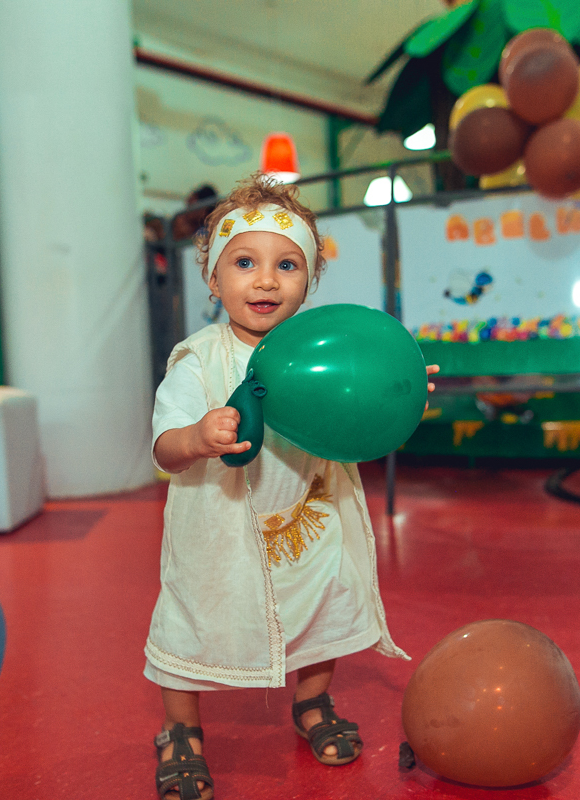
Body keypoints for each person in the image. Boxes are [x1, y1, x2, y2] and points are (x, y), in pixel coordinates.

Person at [146, 173, 438, 800]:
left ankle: (313, 702)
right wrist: (197, 435)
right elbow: (165, 448)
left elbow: (360, 399)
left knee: (322, 612)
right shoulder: (199, 359)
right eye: (244, 262)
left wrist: (395, 384)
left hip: (307, 520)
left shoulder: (325, 350)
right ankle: (180, 730)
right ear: (213, 278)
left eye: (288, 265)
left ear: (309, 282)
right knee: (189, 623)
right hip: (218, 530)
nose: (266, 280)